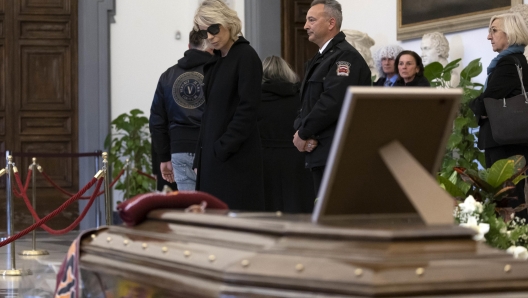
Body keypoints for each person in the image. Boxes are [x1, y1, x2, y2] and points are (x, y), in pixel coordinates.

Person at [293, 0, 371, 196]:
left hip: (337, 154)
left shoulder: (345, 57)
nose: (305, 26)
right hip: (320, 151)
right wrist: (300, 130)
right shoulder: (321, 58)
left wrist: (304, 133)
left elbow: (332, 102)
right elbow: (307, 103)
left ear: (331, 23)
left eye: (311, 20)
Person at [193, 0, 265, 211]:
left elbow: (248, 108)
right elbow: (208, 114)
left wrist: (223, 147)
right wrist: (201, 155)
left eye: (214, 29)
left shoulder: (246, 56)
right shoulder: (216, 61)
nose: (210, 37)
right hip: (213, 159)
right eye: (205, 33)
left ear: (228, 22)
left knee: (233, 223)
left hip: (235, 159)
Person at [469, 13, 528, 219]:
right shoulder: (516, 61)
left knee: (508, 199)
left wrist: (473, 104)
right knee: (512, 196)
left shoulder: (507, 65)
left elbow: (486, 102)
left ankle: (515, 245)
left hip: (504, 143)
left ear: (510, 34)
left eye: (494, 31)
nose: (488, 36)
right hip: (510, 141)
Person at [149, 30, 213, 191]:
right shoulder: (217, 72)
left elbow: (157, 121)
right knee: (213, 211)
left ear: (188, 46)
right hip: (211, 149)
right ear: (211, 47)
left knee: (190, 209)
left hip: (179, 150)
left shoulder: (168, 75)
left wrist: (163, 158)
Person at [258, 56, 315, 213]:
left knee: (266, 210)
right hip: (297, 159)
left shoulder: (254, 99)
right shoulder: (301, 97)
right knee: (298, 207)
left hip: (264, 160)